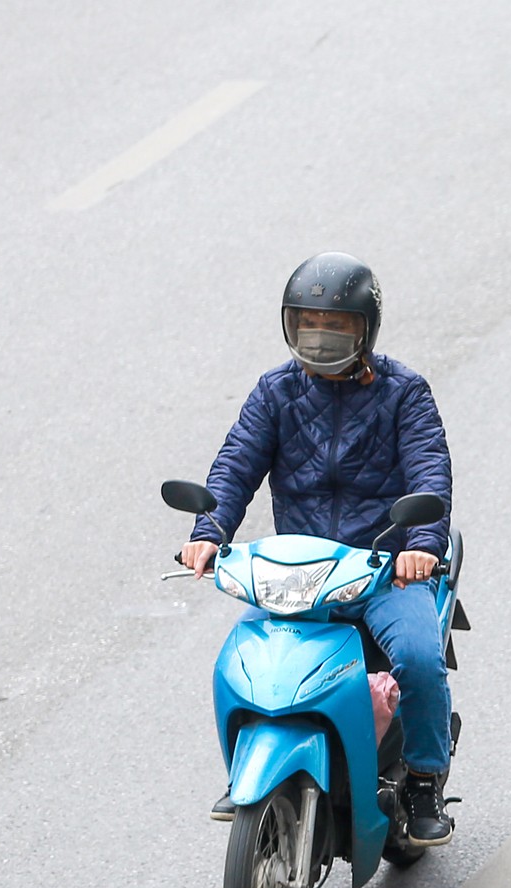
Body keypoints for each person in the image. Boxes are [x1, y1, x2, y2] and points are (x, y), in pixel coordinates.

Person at [182, 252, 457, 848]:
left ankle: (424, 779)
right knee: (244, 661)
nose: (323, 340)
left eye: (338, 328)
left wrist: (422, 546)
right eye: (311, 326)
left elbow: (429, 474)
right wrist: (208, 532)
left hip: (384, 568)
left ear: (366, 330)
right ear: (290, 327)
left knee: (415, 655)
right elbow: (235, 466)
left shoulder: (404, 393)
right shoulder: (275, 393)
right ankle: (250, 772)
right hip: (300, 572)